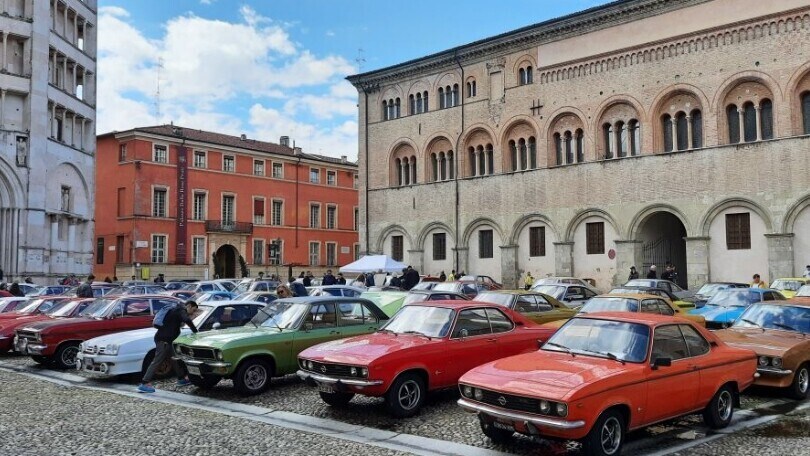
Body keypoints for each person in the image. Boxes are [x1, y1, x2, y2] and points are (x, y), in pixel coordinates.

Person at [138, 300, 199, 393]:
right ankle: (144, 383)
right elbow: (187, 320)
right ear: (189, 306)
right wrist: (196, 332)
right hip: (164, 340)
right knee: (157, 361)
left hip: (167, 340)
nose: (193, 313)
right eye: (193, 310)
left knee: (175, 358)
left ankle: (181, 379)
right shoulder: (181, 310)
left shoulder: (175, 309)